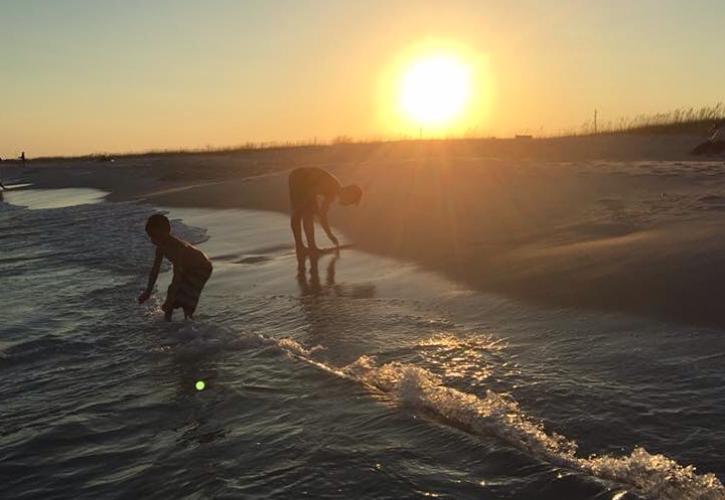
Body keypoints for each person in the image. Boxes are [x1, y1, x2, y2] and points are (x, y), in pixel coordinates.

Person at [138, 214, 213, 321]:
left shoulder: (178, 247)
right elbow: (155, 270)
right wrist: (148, 292)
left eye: (155, 236)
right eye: (150, 236)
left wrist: (171, 297)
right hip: (188, 268)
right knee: (173, 293)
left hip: (202, 267)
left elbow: (177, 273)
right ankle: (167, 321)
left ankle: (190, 323)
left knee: (186, 296)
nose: (152, 240)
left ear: (166, 232)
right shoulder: (160, 248)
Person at [288, 167, 362, 272]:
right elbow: (311, 192)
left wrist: (330, 235)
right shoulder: (332, 186)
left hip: (305, 181)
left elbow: (323, 215)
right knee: (303, 212)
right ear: (349, 193)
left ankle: (307, 247)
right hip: (299, 177)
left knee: (307, 212)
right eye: (351, 201)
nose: (348, 204)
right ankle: (304, 247)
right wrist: (312, 207)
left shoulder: (333, 192)